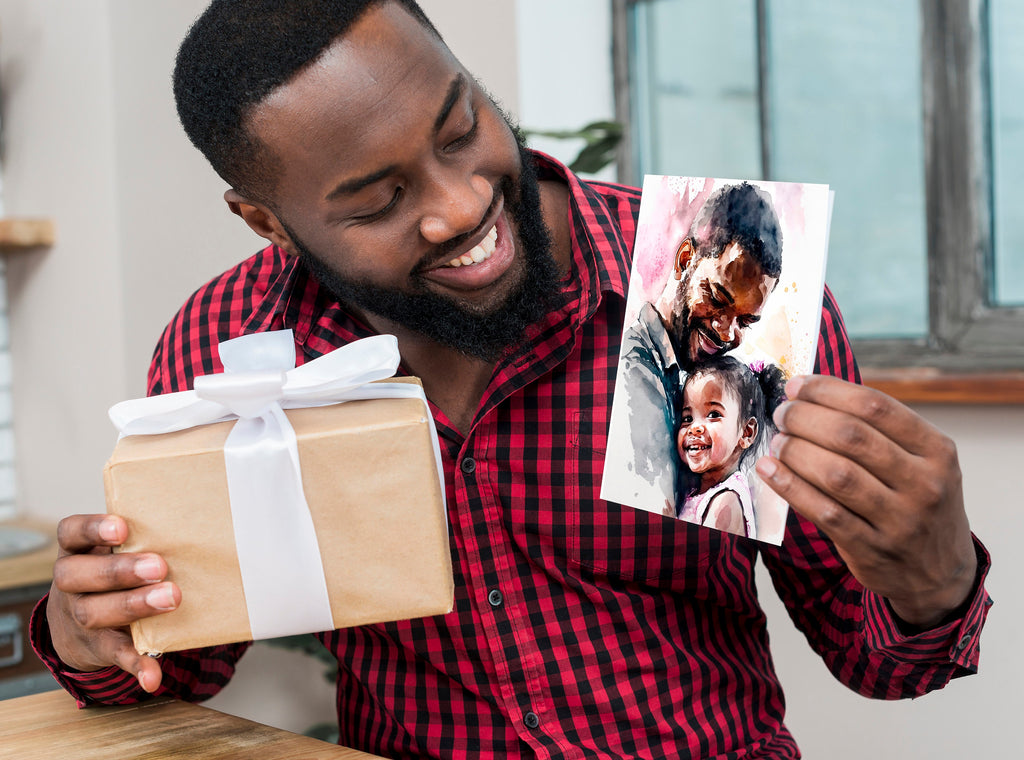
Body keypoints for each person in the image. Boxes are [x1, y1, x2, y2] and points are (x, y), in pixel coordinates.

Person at [32, 2, 991, 758]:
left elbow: (880, 661)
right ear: (267, 223)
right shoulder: (232, 345)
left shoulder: (714, 288)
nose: (458, 208)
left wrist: (933, 572)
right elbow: (182, 668)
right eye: (378, 200)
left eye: (460, 130)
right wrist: (92, 633)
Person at [606, 181, 782, 513]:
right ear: (685, 259)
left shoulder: (684, 380)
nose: (725, 332)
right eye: (717, 299)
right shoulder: (635, 369)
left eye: (744, 322)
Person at [674, 356, 787, 539]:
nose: (694, 428)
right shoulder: (701, 490)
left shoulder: (725, 502)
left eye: (713, 414)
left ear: (746, 433)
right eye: (688, 418)